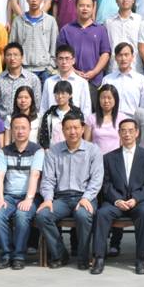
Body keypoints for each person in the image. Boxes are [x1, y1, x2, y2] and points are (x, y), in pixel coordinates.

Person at [36, 112, 103, 270]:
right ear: (63, 130)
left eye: (76, 127)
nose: (72, 131)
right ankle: (60, 254)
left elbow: (96, 179)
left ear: (82, 129)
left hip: (85, 196)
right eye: (68, 128)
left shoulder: (93, 150)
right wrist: (48, 199)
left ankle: (83, 257)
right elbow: (48, 179)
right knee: (42, 215)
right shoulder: (54, 151)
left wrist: (86, 198)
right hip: (61, 198)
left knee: (83, 215)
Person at [91, 118, 144, 275]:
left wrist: (135, 199)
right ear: (119, 133)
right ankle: (99, 258)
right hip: (116, 201)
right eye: (123, 131)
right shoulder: (108, 157)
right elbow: (105, 184)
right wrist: (117, 200)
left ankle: (141, 259)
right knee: (102, 213)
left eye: (130, 131)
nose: (127, 134)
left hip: (139, 201)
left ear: (137, 133)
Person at [0, 114, 44, 270]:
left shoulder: (37, 151)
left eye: (23, 128)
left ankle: (19, 256)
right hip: (9, 196)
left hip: (30, 197)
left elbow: (35, 175)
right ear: (12, 130)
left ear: (29, 129)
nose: (20, 131)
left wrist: (28, 199)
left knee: (22, 215)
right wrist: (0, 199)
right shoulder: (4, 152)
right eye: (16, 128)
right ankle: (6, 254)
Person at [57, 0, 111, 90]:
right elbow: (60, 55)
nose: (85, 9)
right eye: (81, 5)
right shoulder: (66, 29)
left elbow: (105, 53)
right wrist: (74, 71)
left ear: (93, 8)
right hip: (71, 79)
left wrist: (94, 72)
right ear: (76, 7)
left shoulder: (100, 29)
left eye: (88, 6)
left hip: (95, 81)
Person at [9, 0, 59, 83]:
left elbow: (54, 45)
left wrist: (51, 66)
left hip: (45, 70)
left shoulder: (50, 21)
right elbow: (12, 45)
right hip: (24, 69)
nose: (34, 0)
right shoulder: (18, 21)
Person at [0, 42, 43, 121]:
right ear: (4, 58)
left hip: (25, 123)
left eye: (16, 55)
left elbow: (37, 104)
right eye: (9, 55)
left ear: (22, 57)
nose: (12, 58)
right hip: (3, 123)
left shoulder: (33, 79)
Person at [39, 45, 93, 115]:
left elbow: (86, 109)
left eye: (67, 58)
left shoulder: (82, 82)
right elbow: (44, 108)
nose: (64, 62)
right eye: (60, 58)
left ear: (73, 61)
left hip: (74, 121)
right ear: (56, 61)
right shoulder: (49, 82)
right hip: (52, 120)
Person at [103, 43, 144, 119]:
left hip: (133, 120)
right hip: (112, 120)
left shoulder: (141, 80)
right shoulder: (107, 79)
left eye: (126, 55)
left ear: (132, 57)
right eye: (120, 55)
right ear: (115, 58)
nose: (123, 58)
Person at [104, 0, 142, 74]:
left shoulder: (140, 21)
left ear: (133, 0)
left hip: (135, 67)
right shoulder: (108, 22)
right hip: (113, 68)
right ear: (116, 0)